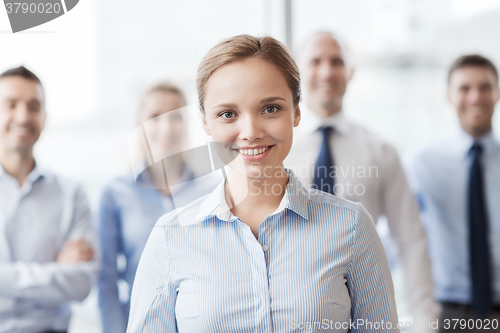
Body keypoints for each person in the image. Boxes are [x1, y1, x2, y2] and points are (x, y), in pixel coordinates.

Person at [127, 34, 398, 332]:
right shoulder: (170, 238)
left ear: (296, 111)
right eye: (228, 114)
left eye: (270, 108)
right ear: (205, 123)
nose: (251, 131)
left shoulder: (352, 227)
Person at [284, 31, 439, 329]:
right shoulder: (277, 151)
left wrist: (425, 323)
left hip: (366, 311)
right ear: (297, 71)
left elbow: (410, 241)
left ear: (351, 72)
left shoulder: (380, 151)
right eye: (315, 61)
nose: (327, 72)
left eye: (337, 62)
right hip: (293, 311)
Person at [96, 82, 220, 333]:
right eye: (154, 117)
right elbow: (105, 281)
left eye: (176, 117)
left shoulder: (213, 190)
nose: (166, 127)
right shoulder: (116, 193)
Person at [405, 54, 500, 332]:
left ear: (497, 93)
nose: (475, 97)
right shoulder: (422, 163)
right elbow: (400, 238)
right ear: (449, 95)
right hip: (447, 312)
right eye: (464, 88)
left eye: (485, 87)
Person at [0, 66, 97, 332]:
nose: (23, 116)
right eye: (11, 104)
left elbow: (82, 283)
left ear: (44, 117)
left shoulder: (71, 193)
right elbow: (67, 281)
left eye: (33, 106)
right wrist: (54, 272)